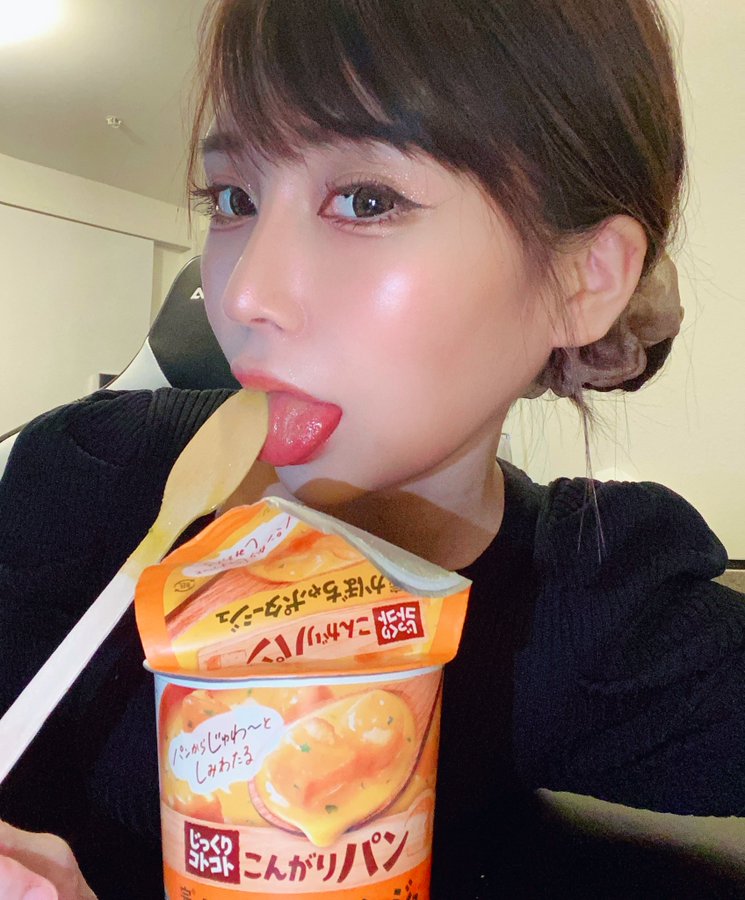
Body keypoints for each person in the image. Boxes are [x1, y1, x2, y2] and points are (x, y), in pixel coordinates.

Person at [1, 0, 743, 897]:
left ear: (583, 279)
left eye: (365, 200)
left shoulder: (593, 611)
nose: (242, 295)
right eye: (233, 199)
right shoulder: (85, 474)